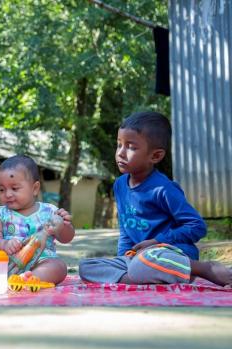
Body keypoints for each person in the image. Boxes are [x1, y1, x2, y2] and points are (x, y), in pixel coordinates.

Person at [79, 111, 232, 287]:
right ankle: (146, 277)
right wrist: (124, 255)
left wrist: (158, 241)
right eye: (119, 144)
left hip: (171, 254)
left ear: (156, 156)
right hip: (140, 260)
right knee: (86, 267)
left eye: (131, 147)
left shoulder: (163, 189)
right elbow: (126, 229)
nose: (120, 153)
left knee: (143, 264)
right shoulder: (120, 185)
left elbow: (197, 227)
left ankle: (203, 269)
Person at [0, 155, 75, 284]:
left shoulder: (49, 211)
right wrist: (2, 244)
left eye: (14, 188)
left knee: (59, 267)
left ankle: (29, 279)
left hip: (42, 260)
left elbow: (66, 239)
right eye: (2, 189)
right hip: (9, 262)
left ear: (35, 188)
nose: (8, 194)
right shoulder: (1, 213)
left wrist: (63, 226)